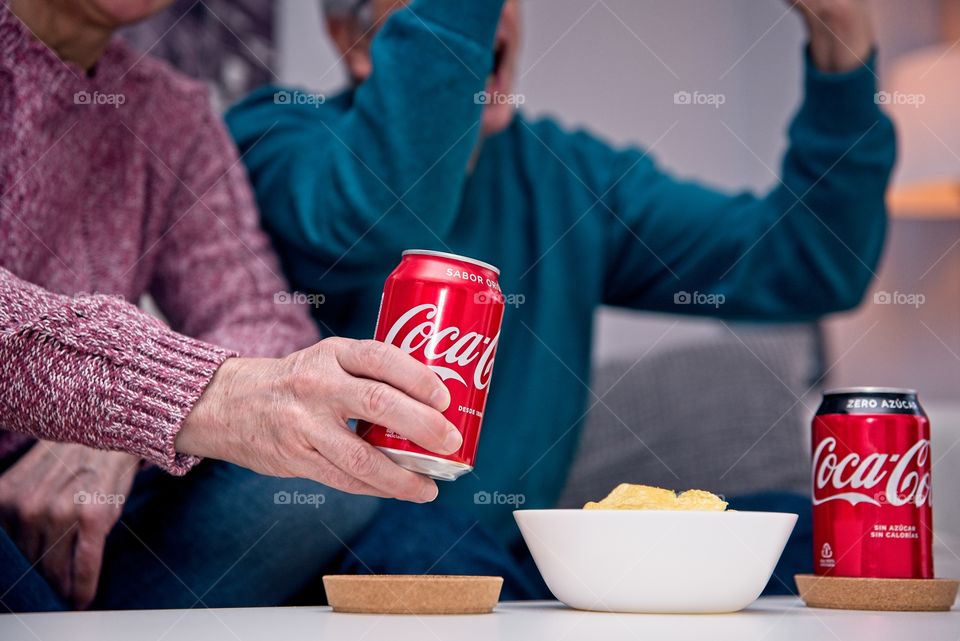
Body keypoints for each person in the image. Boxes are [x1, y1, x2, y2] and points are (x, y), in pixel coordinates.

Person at [225, 0, 896, 595]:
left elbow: (813, 262)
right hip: (349, 544)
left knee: (826, 537)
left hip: (515, 549)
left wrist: (842, 37)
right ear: (356, 38)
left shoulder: (569, 178)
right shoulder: (278, 137)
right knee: (424, 547)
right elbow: (387, 209)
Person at [0, 0, 460, 613]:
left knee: (328, 476)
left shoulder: (171, 114)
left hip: (95, 507)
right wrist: (134, 395)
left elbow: (262, 318)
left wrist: (118, 426)